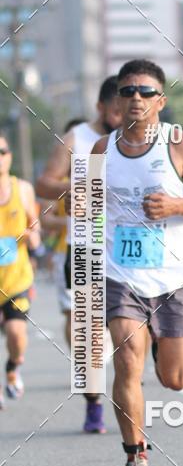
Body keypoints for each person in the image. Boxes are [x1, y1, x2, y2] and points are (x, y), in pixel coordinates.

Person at [92, 58, 183, 466]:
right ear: (117, 99)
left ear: (161, 101)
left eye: (146, 92)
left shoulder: (181, 144)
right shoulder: (101, 150)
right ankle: (136, 458)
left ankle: (159, 346)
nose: (136, 98)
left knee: (174, 379)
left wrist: (177, 206)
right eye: (128, 91)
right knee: (126, 361)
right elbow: (87, 208)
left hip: (176, 277)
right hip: (122, 274)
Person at [36, 78, 122, 433]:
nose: (123, 118)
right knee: (88, 333)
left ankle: (130, 377)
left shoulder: (141, 139)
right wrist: (79, 184)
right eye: (116, 110)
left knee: (132, 331)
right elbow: (44, 183)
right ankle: (93, 403)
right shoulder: (77, 139)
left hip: (126, 250)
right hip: (85, 245)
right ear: (100, 107)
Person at [0, 130, 41, 407]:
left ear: (10, 156)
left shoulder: (23, 189)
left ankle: (13, 367)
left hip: (17, 279)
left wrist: (29, 236)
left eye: (2, 152)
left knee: (16, 334)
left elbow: (36, 232)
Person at [42, 118, 85, 346]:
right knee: (74, 313)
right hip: (66, 253)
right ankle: (80, 367)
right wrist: (74, 222)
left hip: (103, 252)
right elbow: (46, 220)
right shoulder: (57, 184)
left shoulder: (107, 175)